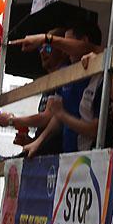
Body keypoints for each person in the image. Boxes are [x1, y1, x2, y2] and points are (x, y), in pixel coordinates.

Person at [16, 24, 103, 157]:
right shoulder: (69, 76)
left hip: (89, 157)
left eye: (49, 48)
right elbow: (57, 116)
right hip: (68, 156)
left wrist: (12, 120)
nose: (43, 52)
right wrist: (36, 142)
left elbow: (92, 129)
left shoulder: (98, 74)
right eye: (41, 48)